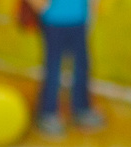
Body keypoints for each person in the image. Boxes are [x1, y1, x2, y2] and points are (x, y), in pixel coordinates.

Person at [25, 0, 102, 135]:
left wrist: (92, 9)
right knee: (53, 67)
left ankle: (81, 109)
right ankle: (47, 113)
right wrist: (40, 6)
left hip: (80, 19)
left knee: (81, 65)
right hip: (54, 20)